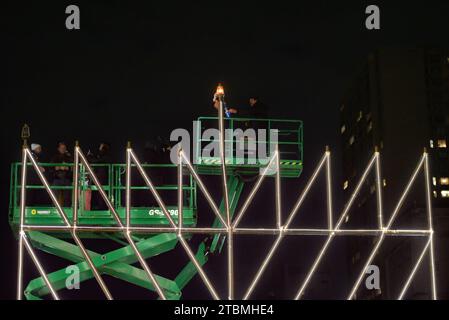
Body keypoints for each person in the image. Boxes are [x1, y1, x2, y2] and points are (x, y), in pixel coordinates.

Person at [51, 142, 73, 207]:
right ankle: (54, 212)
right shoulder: (54, 157)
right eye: (61, 148)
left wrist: (67, 167)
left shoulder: (69, 157)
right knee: (55, 197)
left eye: (64, 148)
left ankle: (68, 212)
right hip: (57, 178)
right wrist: (57, 167)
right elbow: (50, 167)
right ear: (58, 149)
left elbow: (73, 167)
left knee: (67, 198)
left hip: (67, 178)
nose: (63, 149)